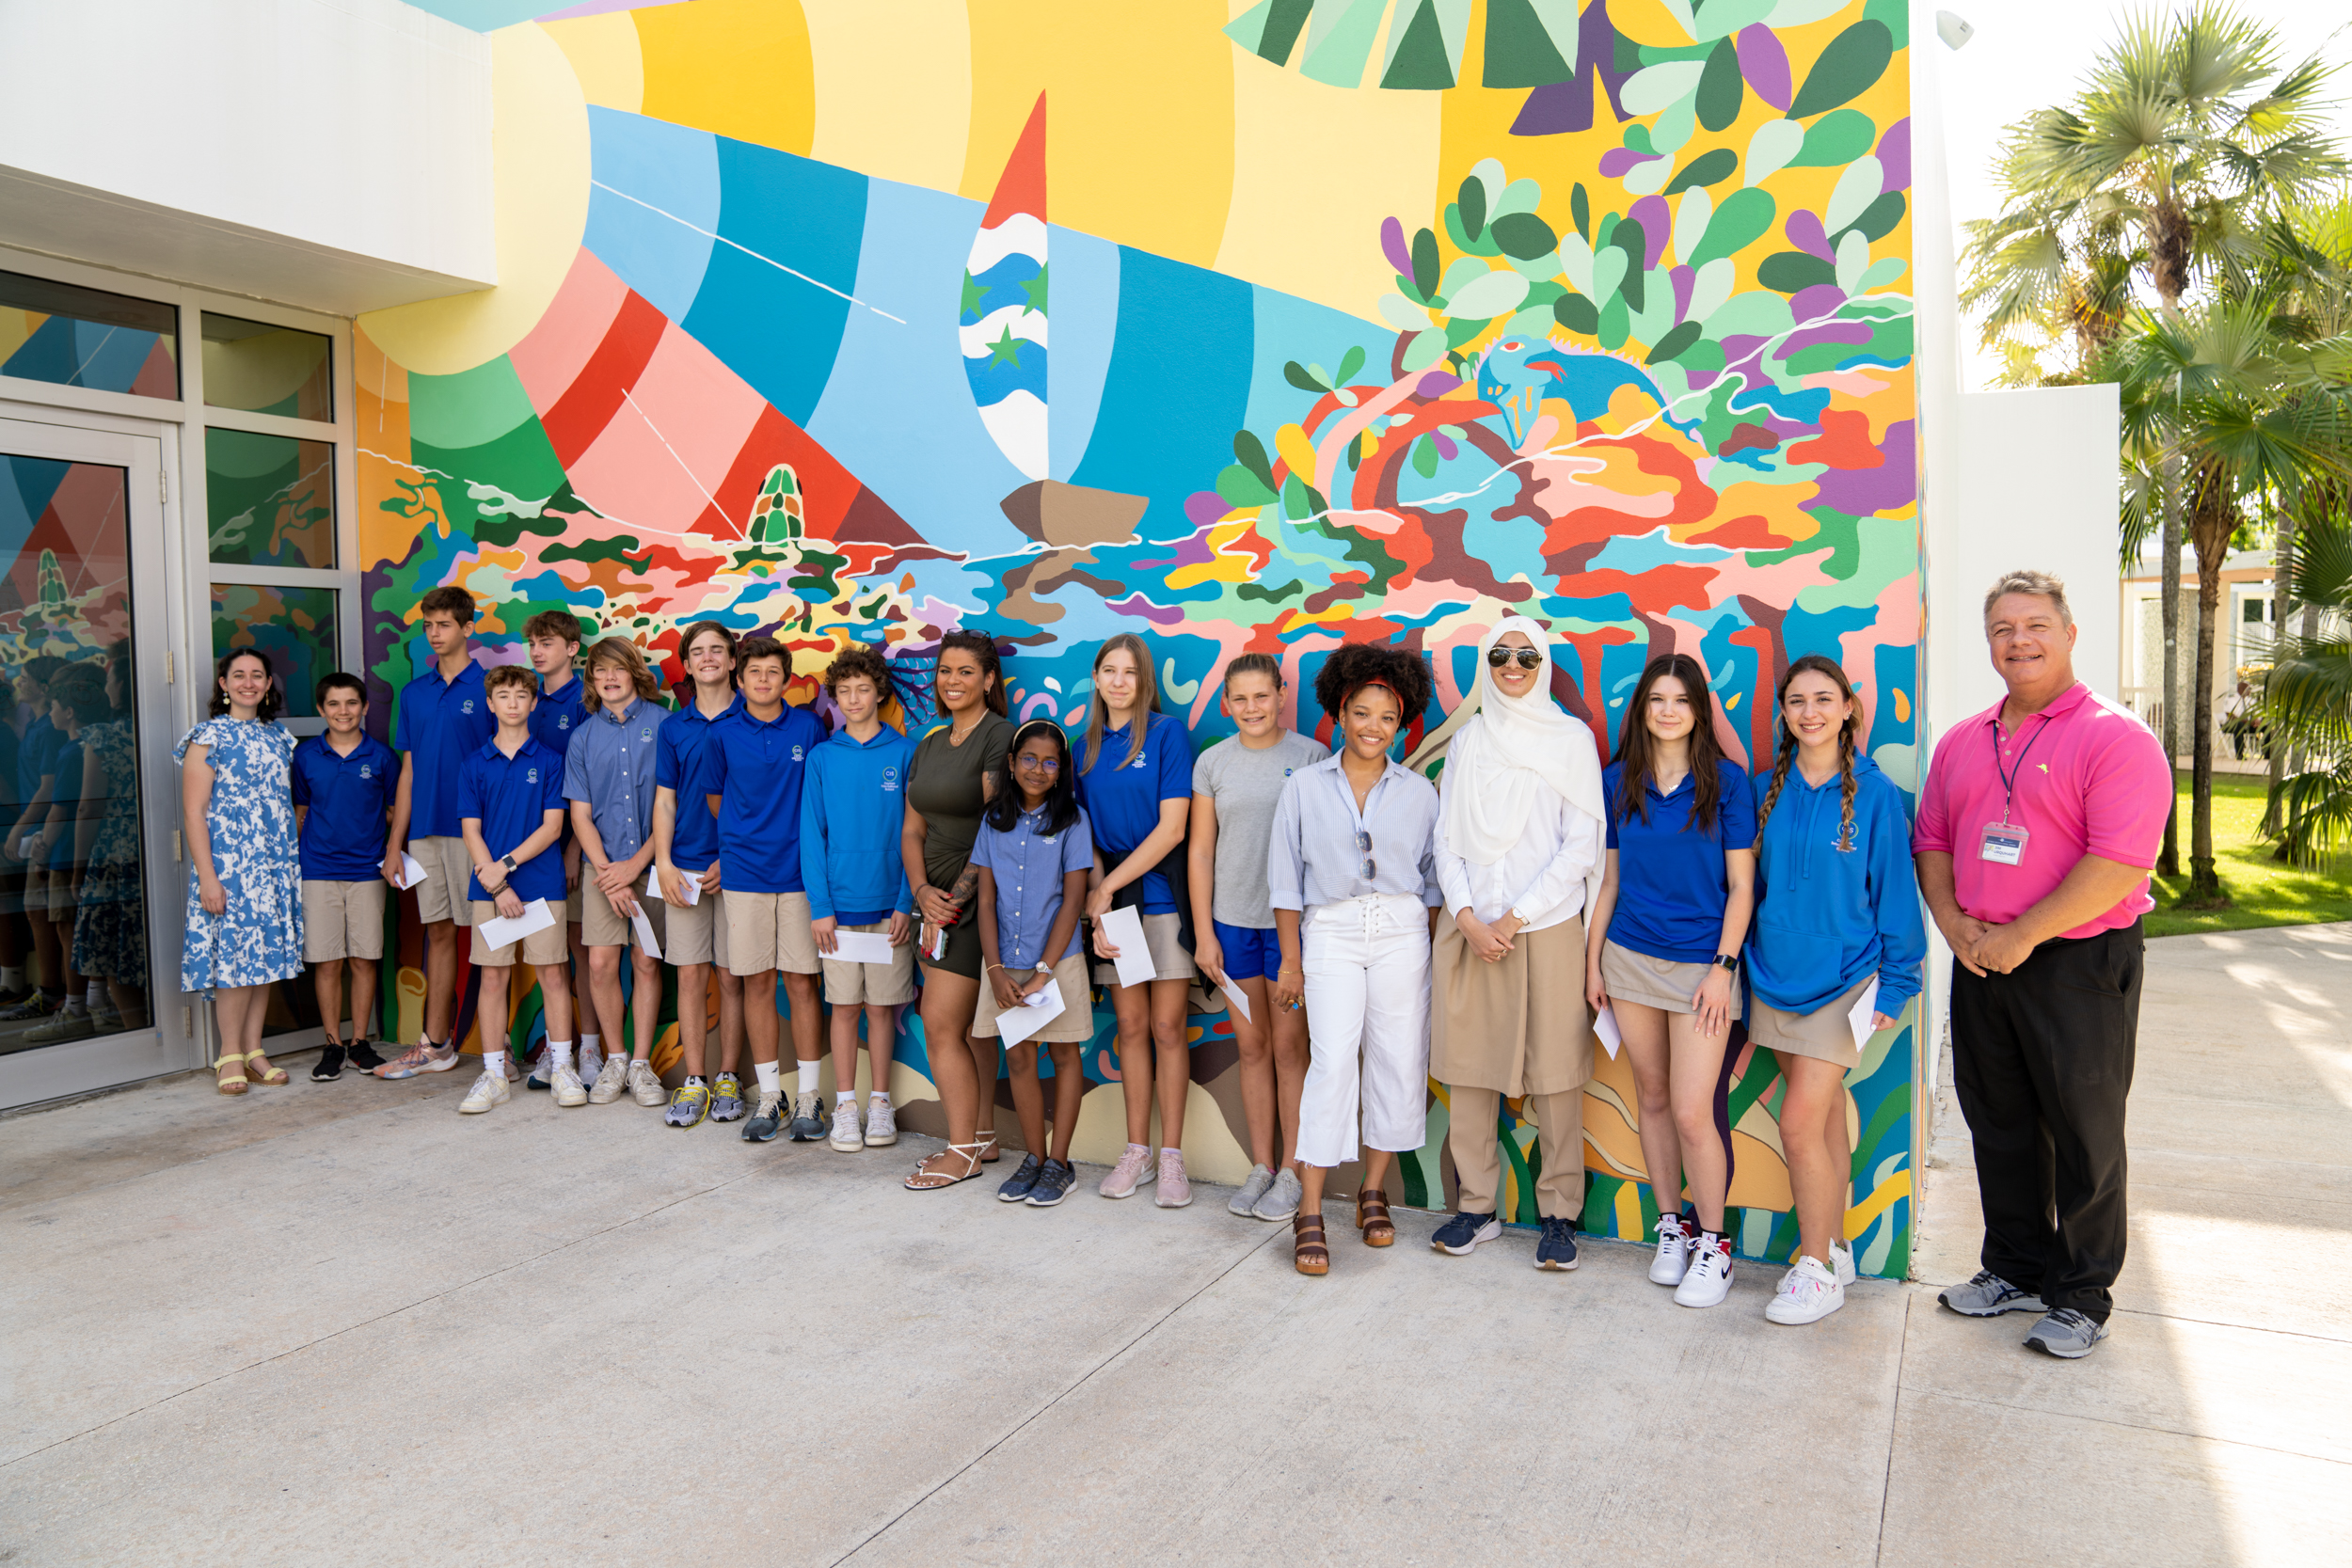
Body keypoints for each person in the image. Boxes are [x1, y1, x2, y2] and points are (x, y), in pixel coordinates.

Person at [1916, 571, 2169, 1359]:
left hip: (2077, 961)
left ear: (2068, 631)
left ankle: (2083, 1292)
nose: (2018, 640)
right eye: (2001, 628)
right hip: (1983, 956)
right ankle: (2015, 1265)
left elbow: (2121, 862)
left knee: (2084, 1131)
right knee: (1999, 1122)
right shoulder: (1965, 738)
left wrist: (2022, 934)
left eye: (2034, 625)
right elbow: (1933, 841)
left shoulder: (2115, 736)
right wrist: (1957, 927)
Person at [1416, 618, 1606, 1272]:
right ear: (1485, 664)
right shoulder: (1470, 739)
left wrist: (1514, 918)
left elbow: (1581, 844)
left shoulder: (1570, 739)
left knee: (1555, 1073)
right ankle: (1476, 1206)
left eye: (1526, 654)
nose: (1513, 664)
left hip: (1544, 928)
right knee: (1469, 1067)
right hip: (1472, 926)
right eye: (1500, 654)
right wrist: (1468, 916)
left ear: (1542, 661)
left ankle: (1559, 1213)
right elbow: (1446, 835)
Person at [1745, 655, 1925, 1324]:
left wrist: (1897, 983)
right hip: (1773, 976)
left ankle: (1814, 1267)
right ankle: (1841, 1246)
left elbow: (1897, 900)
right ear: (1784, 713)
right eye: (1797, 701)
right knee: (1819, 1119)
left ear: (1849, 706)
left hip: (1843, 985)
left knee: (1796, 1122)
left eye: (1824, 698)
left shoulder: (1875, 796)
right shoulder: (1770, 787)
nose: (1810, 711)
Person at [1584, 652, 1756, 1309]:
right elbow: (1611, 881)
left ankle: (1715, 1242)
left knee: (1692, 1109)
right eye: (1656, 698)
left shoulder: (1729, 785)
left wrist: (1723, 967)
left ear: (1697, 711)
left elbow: (1742, 887)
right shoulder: (1617, 779)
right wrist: (1592, 959)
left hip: (1701, 968)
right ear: (1642, 708)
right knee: (1651, 1096)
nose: (1666, 710)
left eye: (1679, 700)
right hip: (1629, 959)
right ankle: (1672, 1226)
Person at [1268, 642, 1441, 1276]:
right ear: (1340, 711)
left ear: (1403, 724)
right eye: (1361, 712)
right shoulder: (1304, 788)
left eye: (1387, 717)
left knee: (1396, 1058)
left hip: (1400, 930)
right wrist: (1291, 959)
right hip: (1331, 930)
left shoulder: (1421, 793)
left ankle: (1373, 1189)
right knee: (1333, 1061)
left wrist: (1412, 938)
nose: (1373, 726)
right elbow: (1285, 880)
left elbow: (1431, 881)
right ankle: (1310, 1207)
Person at [1187, 653, 1325, 1222]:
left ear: (1281, 694)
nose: (1251, 708)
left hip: (1289, 931)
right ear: (1226, 704)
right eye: (1239, 699)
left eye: (1261, 697)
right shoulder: (1213, 763)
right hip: (1232, 923)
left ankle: (1292, 1172)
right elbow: (1199, 850)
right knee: (1251, 1048)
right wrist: (1203, 933)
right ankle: (1261, 1166)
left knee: (1292, 1049)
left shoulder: (1312, 757)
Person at [1077, 633, 1199, 1205]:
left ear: (1143, 679)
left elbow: (1174, 828)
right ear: (1096, 679)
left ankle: (1172, 1158)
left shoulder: (1169, 735)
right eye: (1109, 670)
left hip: (1162, 895)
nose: (1119, 681)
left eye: (1129, 671)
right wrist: (1099, 901)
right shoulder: (1084, 748)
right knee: (1128, 1027)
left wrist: (1108, 887)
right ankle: (1138, 1153)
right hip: (1116, 902)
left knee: (1168, 1027)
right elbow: (1087, 836)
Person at [899, 629, 1015, 1190]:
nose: (953, 681)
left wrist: (957, 899)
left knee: (942, 1025)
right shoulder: (927, 744)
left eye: (966, 671)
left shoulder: (1000, 736)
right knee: (966, 1029)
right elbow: (911, 828)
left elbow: (1000, 823)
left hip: (978, 903)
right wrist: (922, 892)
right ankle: (984, 1136)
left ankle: (961, 1149)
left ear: (989, 679)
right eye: (945, 670)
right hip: (933, 904)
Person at [704, 636, 829, 1143]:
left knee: (801, 983)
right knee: (756, 982)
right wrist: (745, 838)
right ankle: (772, 1096)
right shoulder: (722, 734)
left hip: (800, 875)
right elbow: (717, 799)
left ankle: (809, 1097)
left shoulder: (808, 727)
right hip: (744, 876)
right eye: (753, 672)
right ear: (739, 677)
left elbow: (818, 798)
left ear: (786, 678)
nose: (762, 680)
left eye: (772, 672)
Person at [970, 720, 1095, 1208]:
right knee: (1019, 1056)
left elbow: (1073, 901)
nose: (1038, 769)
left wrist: (1044, 969)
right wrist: (995, 970)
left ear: (1061, 770)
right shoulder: (993, 820)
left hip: (1056, 961)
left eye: (1049, 762)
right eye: (1028, 759)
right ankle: (1034, 1158)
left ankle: (1060, 1164)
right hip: (1004, 961)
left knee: (1063, 1055)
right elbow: (985, 902)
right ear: (1011, 763)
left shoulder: (1073, 821)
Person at [800, 644, 916, 1152]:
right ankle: (846, 1105)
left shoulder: (905, 753)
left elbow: (920, 834)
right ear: (834, 697)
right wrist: (821, 908)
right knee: (844, 1008)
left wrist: (906, 902)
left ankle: (880, 1104)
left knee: (881, 1009)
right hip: (839, 912)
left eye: (863, 689)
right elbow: (811, 834)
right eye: (843, 691)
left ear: (879, 692)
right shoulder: (823, 756)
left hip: (890, 909)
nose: (853, 699)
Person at [378, 586, 495, 1078]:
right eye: (427, 625)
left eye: (443, 624)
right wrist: (394, 845)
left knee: (491, 938)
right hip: (425, 832)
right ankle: (437, 1045)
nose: (434, 633)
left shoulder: (493, 688)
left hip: (478, 834)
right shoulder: (413, 693)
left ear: (468, 629)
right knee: (440, 933)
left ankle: (498, 1047)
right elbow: (409, 770)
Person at [177, 649, 304, 1094]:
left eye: (257, 675)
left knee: (263, 959)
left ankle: (254, 1050)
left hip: (272, 866)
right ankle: (228, 1053)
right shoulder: (208, 737)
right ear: (223, 683)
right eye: (239, 675)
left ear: (269, 684)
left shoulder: (278, 737)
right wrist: (208, 878)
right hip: (229, 867)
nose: (248, 682)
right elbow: (194, 813)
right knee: (234, 961)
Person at [453, 664, 575, 1115]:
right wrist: (498, 882)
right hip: (489, 888)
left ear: (533, 702)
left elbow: (552, 828)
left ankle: (562, 1067)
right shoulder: (472, 764)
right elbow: (471, 830)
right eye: (503, 696)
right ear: (490, 703)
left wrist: (506, 866)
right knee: (492, 976)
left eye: (521, 695)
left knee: (553, 975)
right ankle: (492, 1075)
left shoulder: (549, 762)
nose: (512, 703)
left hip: (542, 884)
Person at [564, 638, 670, 1109]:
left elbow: (674, 805)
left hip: (651, 867)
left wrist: (635, 866)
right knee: (603, 964)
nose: (608, 678)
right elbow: (580, 815)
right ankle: (616, 1059)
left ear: (634, 673)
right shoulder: (583, 737)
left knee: (647, 962)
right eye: (598, 672)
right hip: (602, 871)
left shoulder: (665, 726)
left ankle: (643, 1066)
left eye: (616, 669)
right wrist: (608, 873)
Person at [651, 621, 750, 1126]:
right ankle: (695, 1080)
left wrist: (728, 859)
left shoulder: (752, 720)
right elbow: (664, 801)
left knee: (732, 977)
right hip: (683, 869)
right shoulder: (674, 728)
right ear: (686, 666)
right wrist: (664, 862)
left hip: (740, 870)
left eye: (718, 650)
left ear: (733, 661)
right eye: (698, 652)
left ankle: (728, 1075)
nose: (708, 658)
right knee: (689, 975)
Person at [290, 673, 397, 1080]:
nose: (343, 711)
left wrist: (392, 853)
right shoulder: (306, 756)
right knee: (328, 961)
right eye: (333, 704)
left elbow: (392, 813)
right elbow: (302, 811)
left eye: (352, 703)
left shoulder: (383, 757)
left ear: (365, 707)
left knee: (364, 958)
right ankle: (333, 1043)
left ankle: (360, 1042)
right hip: (318, 870)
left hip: (367, 870)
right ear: (321, 710)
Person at [524, 610, 599, 1089]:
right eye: (532, 642)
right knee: (547, 959)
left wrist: (573, 850)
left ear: (572, 649)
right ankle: (559, 1050)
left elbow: (585, 787)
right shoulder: (523, 701)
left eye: (547, 642)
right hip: (529, 853)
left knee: (583, 951)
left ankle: (589, 1050)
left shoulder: (587, 701)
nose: (536, 651)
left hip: (570, 850)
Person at [23, 663, 110, 1044]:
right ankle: (92, 1002)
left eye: (55, 705)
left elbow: (66, 809)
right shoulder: (86, 744)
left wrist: (41, 848)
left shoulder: (73, 751)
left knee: (67, 928)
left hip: (64, 855)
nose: (51, 712)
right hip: (71, 852)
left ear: (69, 711)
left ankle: (76, 1008)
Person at [69, 642, 149, 1035]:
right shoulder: (162, 732)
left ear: (124, 687)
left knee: (113, 952)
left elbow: (88, 809)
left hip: (115, 854)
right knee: (145, 946)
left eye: (113, 679)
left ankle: (138, 1034)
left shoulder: (103, 738)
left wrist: (77, 868)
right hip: (154, 847)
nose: (108, 688)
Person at [1, 655, 68, 1022]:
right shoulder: (37, 725)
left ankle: (52, 991)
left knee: (42, 911)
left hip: (44, 832)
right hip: (35, 829)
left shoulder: (48, 730)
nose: (18, 682)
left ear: (43, 688)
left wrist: (18, 826)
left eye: (25, 677)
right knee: (36, 910)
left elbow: (49, 789)